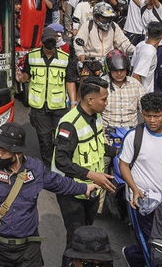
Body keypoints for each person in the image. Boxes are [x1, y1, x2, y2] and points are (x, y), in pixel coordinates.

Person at [0, 122, 98, 267]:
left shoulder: (36, 168)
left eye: (3, 150)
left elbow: (59, 183)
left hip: (29, 250)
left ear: (17, 153)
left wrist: (84, 188)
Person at [118, 92, 162, 267]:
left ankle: (132, 255)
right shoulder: (134, 136)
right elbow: (123, 165)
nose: (152, 120)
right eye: (147, 116)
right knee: (149, 241)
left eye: (156, 116)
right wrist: (134, 189)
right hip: (140, 200)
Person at [53, 76, 118, 247]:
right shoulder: (69, 124)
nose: (106, 103)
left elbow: (99, 146)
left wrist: (123, 152)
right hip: (72, 194)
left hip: (92, 191)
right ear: (90, 100)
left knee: (87, 235)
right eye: (104, 99)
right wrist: (92, 175)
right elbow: (61, 161)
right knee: (76, 241)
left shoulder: (96, 116)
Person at [15, 27, 77, 165]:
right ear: (42, 42)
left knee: (61, 138)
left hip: (59, 106)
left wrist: (73, 103)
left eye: (52, 44)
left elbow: (70, 81)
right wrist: (20, 78)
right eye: (47, 44)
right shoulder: (32, 56)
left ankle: (61, 164)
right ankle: (48, 168)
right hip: (39, 108)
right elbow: (26, 76)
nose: (49, 47)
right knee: (44, 140)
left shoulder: (65, 58)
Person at [101, 50, 144, 129]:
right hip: (107, 130)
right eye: (115, 71)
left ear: (127, 69)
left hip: (131, 130)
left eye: (122, 70)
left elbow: (144, 109)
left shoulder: (136, 84)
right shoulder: (101, 84)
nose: (119, 74)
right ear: (109, 70)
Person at [131, 21, 162, 93]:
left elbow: (133, 65)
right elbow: (136, 75)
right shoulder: (149, 52)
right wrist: (140, 96)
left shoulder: (141, 45)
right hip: (143, 94)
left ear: (147, 33)